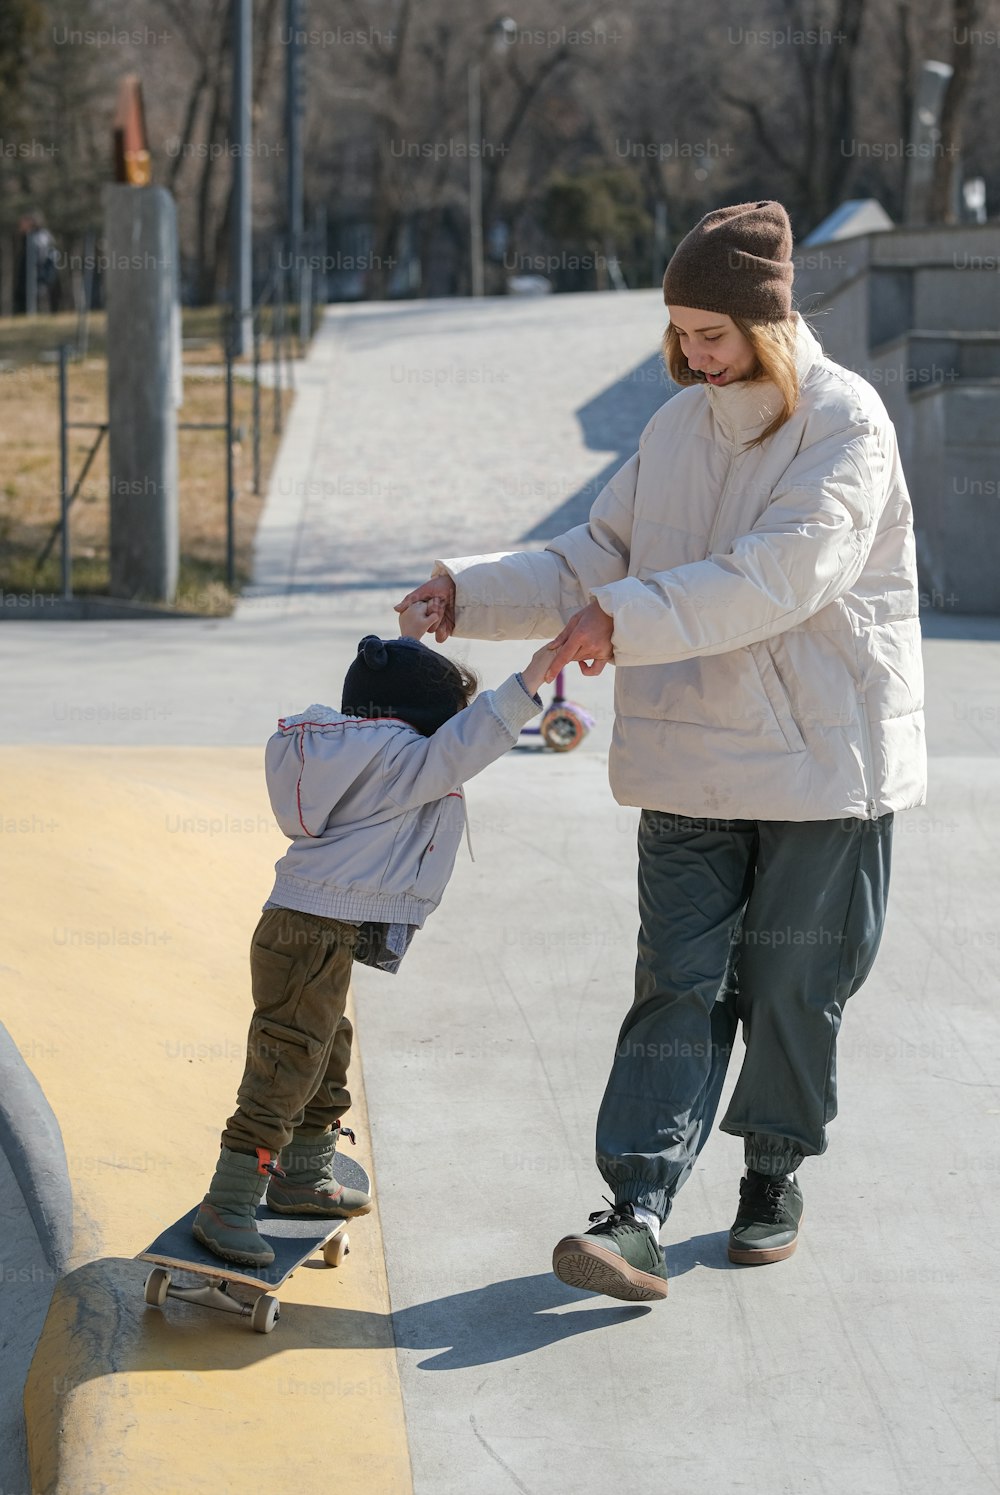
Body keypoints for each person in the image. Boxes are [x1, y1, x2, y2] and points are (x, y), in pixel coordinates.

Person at [396, 200, 927, 1302]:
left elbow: (785, 574)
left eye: (712, 333)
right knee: (674, 985)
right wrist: (471, 590)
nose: (691, 354)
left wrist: (622, 619)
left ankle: (771, 1171)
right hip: (689, 750)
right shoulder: (675, 429)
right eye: (679, 331)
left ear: (769, 325)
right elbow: (597, 552)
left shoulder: (846, 425)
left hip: (821, 762)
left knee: (791, 985)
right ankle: (634, 1211)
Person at [193, 603, 551, 1266]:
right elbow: (476, 736)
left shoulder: (346, 750)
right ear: (415, 724)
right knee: (288, 1058)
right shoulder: (406, 764)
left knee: (323, 1044)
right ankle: (230, 1200)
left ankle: (303, 1174)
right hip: (312, 930)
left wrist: (407, 646)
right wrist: (539, 670)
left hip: (300, 926)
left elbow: (388, 696)